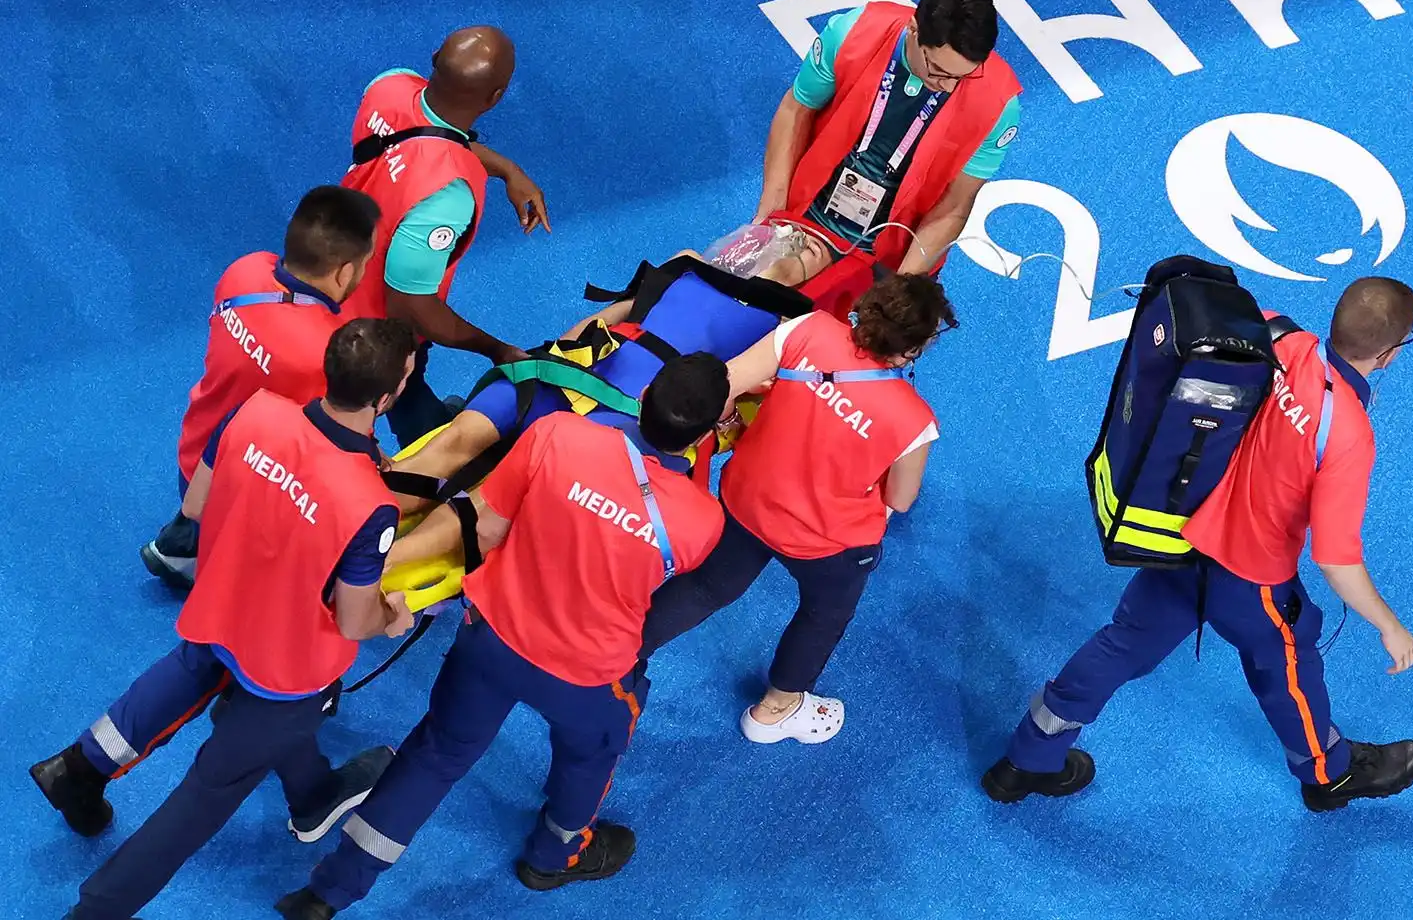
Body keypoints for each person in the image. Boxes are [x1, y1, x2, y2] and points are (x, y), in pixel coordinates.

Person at [273, 355, 733, 918]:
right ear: (707, 434)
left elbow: (485, 524)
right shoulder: (703, 521)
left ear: (642, 399)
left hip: (491, 639)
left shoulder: (557, 434)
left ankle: (327, 893)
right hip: (587, 677)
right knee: (593, 754)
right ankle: (555, 855)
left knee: (434, 754)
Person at [981, 277, 1413, 812]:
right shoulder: (1348, 432)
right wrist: (1389, 625)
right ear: (1388, 355)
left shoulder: (1280, 338)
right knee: (1288, 667)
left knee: (1123, 644)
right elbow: (1335, 559)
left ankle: (1026, 760)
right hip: (1251, 578)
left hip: (1181, 539)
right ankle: (1329, 775)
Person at [30, 319, 423, 920]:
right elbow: (351, 621)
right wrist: (391, 617)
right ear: (390, 395)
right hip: (285, 669)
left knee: (188, 675)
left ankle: (77, 768)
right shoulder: (372, 503)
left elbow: (194, 505)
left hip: (221, 607)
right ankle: (96, 910)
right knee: (200, 802)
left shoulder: (255, 412)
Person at [638, 275, 952, 744]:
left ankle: (616, 655)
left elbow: (726, 384)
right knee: (823, 614)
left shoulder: (807, 330)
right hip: (828, 543)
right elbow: (901, 500)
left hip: (748, 501)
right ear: (912, 350)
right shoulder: (915, 421)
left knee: (705, 588)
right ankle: (776, 710)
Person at [382, 238, 829, 501]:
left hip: (572, 382)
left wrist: (558, 353)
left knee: (462, 452)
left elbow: (608, 319)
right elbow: (732, 412)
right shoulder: (785, 328)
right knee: (492, 492)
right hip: (615, 418)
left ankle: (363, 530)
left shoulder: (694, 273)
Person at [142, 185, 381, 588]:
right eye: (365, 261)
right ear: (344, 271)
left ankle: (189, 537)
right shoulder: (328, 352)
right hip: (239, 493)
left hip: (194, 459)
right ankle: (215, 557)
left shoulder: (244, 271)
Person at [753, 0, 1023, 313]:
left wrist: (899, 292)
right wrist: (769, 214)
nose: (947, 85)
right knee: (752, 302)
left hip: (893, 252)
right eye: (938, 70)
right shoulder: (853, 32)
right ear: (914, 29)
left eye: (962, 76)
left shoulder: (999, 105)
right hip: (809, 214)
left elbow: (955, 204)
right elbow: (796, 110)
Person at [339, 25, 548, 447]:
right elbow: (410, 308)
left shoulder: (388, 85)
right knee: (397, 384)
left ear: (434, 57)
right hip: (369, 328)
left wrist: (508, 169)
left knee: (405, 389)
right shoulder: (447, 198)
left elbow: (426, 133)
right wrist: (495, 349)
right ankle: (435, 468)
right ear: (495, 98)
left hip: (337, 269)